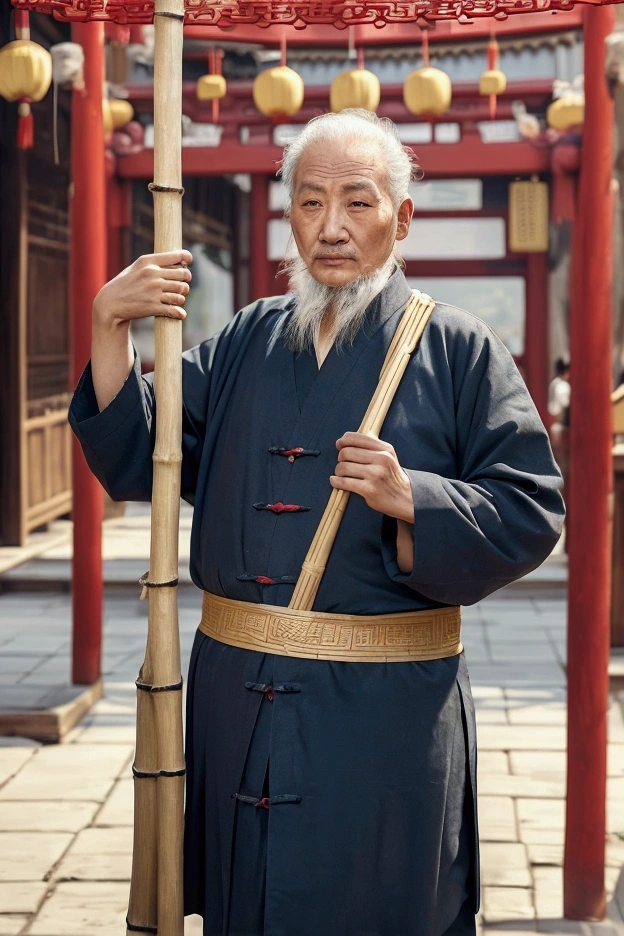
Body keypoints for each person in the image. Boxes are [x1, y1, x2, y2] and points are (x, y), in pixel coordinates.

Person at [69, 110, 564, 936]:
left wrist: (418, 498)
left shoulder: (460, 349)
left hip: (384, 713)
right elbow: (144, 455)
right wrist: (107, 326)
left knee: (380, 902)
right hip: (239, 698)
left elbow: (532, 507)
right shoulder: (244, 341)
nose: (330, 228)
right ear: (287, 213)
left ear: (401, 218)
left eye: (358, 203)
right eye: (309, 203)